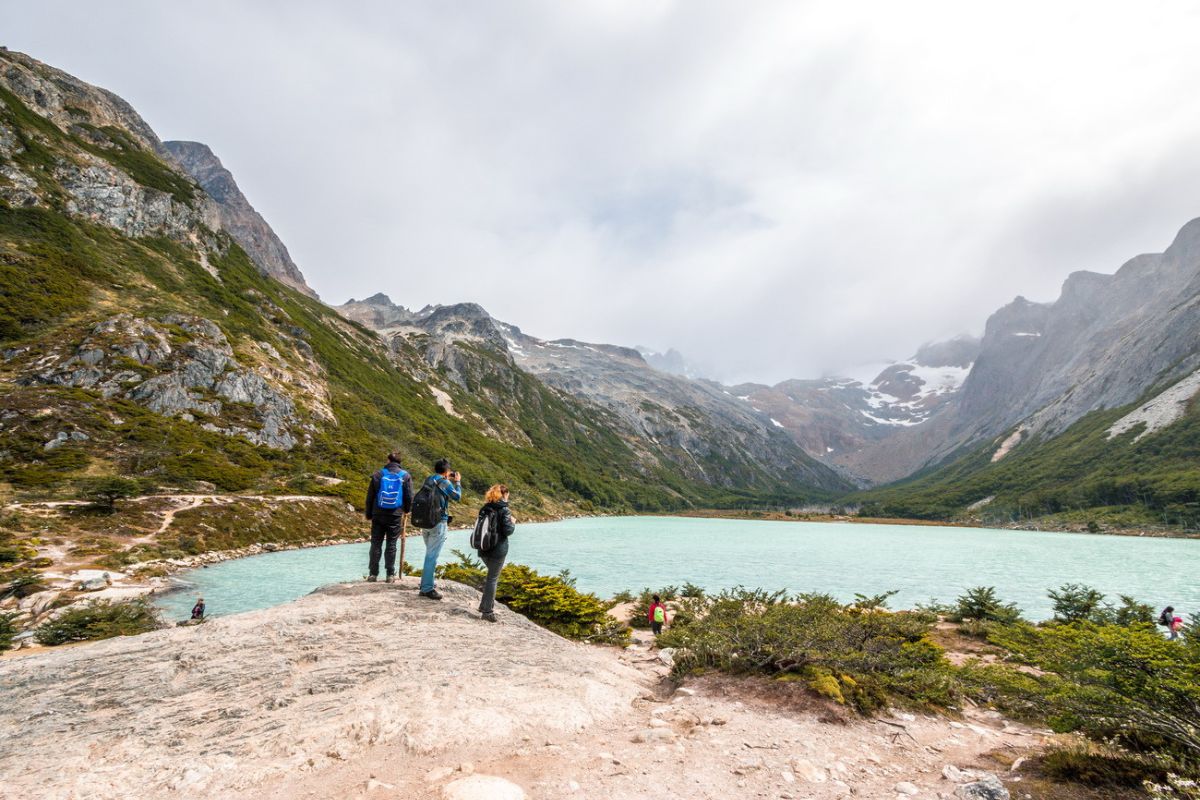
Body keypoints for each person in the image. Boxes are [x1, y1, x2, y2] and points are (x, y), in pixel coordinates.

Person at [365, 452, 414, 583]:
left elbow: (370, 497)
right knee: (391, 544)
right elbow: (409, 496)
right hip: (395, 514)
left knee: (376, 543)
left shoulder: (378, 475)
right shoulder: (405, 475)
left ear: (388, 460)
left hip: (378, 513)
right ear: (400, 462)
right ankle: (390, 575)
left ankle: (373, 574)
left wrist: (369, 514)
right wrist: (407, 510)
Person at [417, 458, 462, 600]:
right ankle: (427, 589)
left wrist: (446, 478)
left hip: (425, 522)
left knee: (430, 554)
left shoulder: (429, 479)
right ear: (447, 471)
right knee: (432, 556)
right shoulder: (446, 482)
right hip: (438, 523)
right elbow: (457, 496)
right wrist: (458, 482)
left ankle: (426, 585)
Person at [475, 484, 516, 623]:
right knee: (492, 579)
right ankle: (487, 612)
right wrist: (513, 522)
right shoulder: (504, 510)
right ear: (504, 495)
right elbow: (508, 530)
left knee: (490, 578)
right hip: (498, 550)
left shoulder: (484, 508)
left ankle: (483, 606)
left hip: (483, 548)